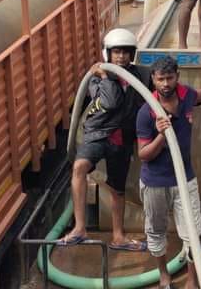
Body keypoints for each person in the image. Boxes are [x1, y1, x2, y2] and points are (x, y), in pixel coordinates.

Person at [137, 57, 201, 289]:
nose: (165, 83)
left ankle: (192, 281)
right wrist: (161, 135)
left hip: (185, 180)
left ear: (177, 77)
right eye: (160, 79)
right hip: (155, 183)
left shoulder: (187, 96)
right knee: (156, 231)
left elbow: (200, 96)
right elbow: (144, 155)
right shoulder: (146, 112)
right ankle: (163, 274)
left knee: (195, 234)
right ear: (153, 80)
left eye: (170, 78)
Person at [60, 29, 149, 250]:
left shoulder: (141, 76)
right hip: (98, 132)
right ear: (107, 53)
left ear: (132, 54)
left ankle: (118, 236)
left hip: (123, 138)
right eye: (116, 52)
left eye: (126, 52)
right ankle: (80, 228)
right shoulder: (96, 77)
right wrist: (105, 76)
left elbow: (164, 87)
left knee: (117, 189)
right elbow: (110, 103)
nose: (121, 57)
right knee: (79, 167)